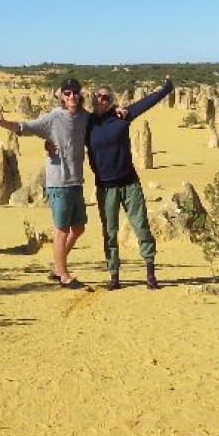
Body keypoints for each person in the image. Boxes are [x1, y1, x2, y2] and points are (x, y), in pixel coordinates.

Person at [0, 77, 90, 288]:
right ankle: (63, 275)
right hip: (58, 182)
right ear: (61, 97)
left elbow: (100, 124)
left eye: (75, 92)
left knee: (79, 227)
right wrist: (3, 123)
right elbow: (26, 127)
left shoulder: (84, 117)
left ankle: (56, 266)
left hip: (76, 181)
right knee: (62, 230)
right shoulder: (54, 118)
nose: (72, 96)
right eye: (67, 93)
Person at [85, 76, 174, 289]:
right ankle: (114, 276)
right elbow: (63, 125)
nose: (102, 100)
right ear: (93, 99)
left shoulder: (121, 117)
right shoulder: (86, 123)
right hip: (105, 187)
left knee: (141, 227)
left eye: (106, 98)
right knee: (110, 232)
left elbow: (146, 103)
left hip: (129, 183)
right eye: (98, 96)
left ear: (111, 100)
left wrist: (167, 89)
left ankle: (151, 274)